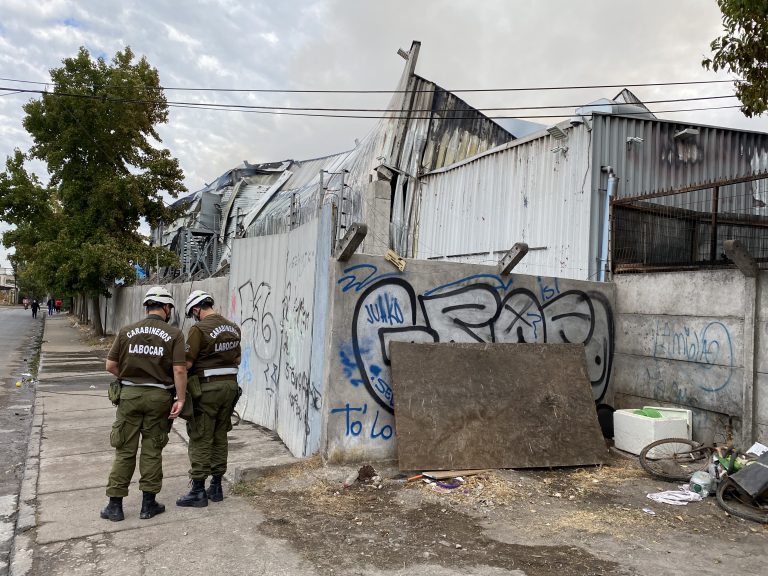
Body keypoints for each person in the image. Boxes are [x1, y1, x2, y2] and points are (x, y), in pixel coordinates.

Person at [101, 286, 187, 522]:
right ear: (167, 308)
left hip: (129, 396)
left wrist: (129, 377)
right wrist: (181, 398)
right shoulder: (174, 334)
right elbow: (179, 369)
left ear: (147, 306)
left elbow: (110, 365)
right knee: (152, 450)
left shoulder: (127, 331)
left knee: (124, 451)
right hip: (159, 398)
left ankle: (115, 506)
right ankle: (148, 506)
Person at [176, 290, 241, 508]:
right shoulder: (233, 327)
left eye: (193, 313)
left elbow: (186, 364)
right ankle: (216, 486)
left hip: (207, 389)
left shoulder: (198, 329)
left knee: (201, 435)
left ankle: (197, 491)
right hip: (230, 387)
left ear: (196, 309)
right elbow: (238, 357)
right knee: (220, 434)